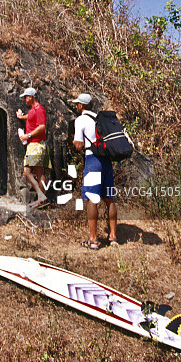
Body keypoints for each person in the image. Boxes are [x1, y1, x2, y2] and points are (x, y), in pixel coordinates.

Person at [72, 92, 118, 250]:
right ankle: (113, 237)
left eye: (77, 104)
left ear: (81, 105)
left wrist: (75, 141)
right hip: (107, 161)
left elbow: (78, 144)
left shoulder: (81, 120)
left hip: (93, 160)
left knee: (92, 198)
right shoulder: (101, 119)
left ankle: (93, 239)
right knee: (109, 198)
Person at [16, 87, 51, 209]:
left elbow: (42, 127)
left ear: (31, 97)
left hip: (36, 145)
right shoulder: (33, 110)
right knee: (39, 172)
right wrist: (21, 117)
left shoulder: (39, 109)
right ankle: (42, 200)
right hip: (35, 144)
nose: (25, 99)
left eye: (26, 97)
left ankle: (41, 196)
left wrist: (28, 135)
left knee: (27, 172)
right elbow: (31, 117)